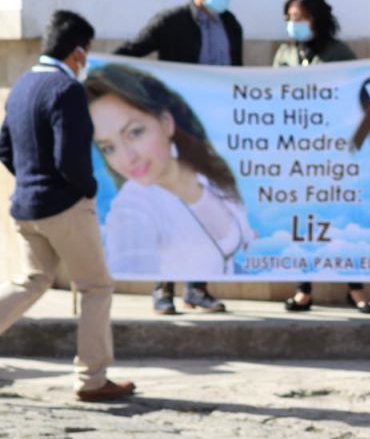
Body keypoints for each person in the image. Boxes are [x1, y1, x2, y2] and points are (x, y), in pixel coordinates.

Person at [0, 10, 135, 401]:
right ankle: (92, 379)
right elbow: (69, 158)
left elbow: (4, 146)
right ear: (77, 53)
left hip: (25, 205)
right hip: (63, 207)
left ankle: (92, 376)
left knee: (31, 280)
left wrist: (30, 177)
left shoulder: (23, 85)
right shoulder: (66, 90)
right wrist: (87, 188)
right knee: (96, 286)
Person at [114, 0, 242, 314]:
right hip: (172, 128)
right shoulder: (171, 22)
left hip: (211, 131)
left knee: (203, 198)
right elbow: (128, 53)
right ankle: (163, 288)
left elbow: (239, 74)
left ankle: (197, 288)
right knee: (167, 199)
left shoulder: (231, 24)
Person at [84, 64, 255, 281]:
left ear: (166, 123)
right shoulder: (132, 208)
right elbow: (131, 272)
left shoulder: (211, 177)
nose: (127, 159)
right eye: (108, 148)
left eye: (135, 133)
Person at [272, 0, 370, 314]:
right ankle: (304, 289)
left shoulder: (338, 54)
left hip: (332, 152)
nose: (293, 24)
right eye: (289, 18)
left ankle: (355, 289)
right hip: (296, 154)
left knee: (342, 219)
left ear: (316, 19)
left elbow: (356, 96)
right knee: (301, 219)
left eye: (299, 18)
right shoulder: (284, 56)